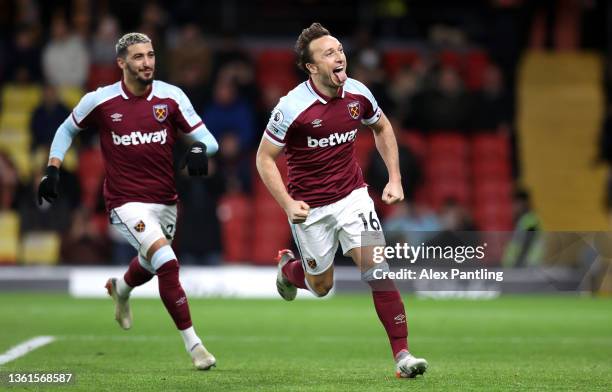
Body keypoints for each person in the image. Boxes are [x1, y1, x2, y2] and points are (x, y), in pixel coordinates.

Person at [37, 32, 219, 370]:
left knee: (150, 266)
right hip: (124, 203)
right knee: (167, 262)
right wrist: (53, 168)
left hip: (165, 202)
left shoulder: (171, 96)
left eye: (150, 55)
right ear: (121, 63)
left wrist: (197, 148)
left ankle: (121, 287)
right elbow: (66, 130)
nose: (147, 62)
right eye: (138, 57)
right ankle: (195, 347)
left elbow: (209, 141)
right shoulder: (101, 101)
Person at [255, 23, 428, 378]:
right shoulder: (291, 107)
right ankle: (289, 271)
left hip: (353, 198)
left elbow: (381, 127)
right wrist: (288, 203)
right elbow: (264, 158)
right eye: (328, 53)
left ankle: (403, 355)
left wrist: (394, 177)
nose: (339, 56)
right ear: (312, 67)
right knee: (321, 286)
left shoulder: (358, 94)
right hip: (311, 208)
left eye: (339, 49)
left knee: (378, 271)